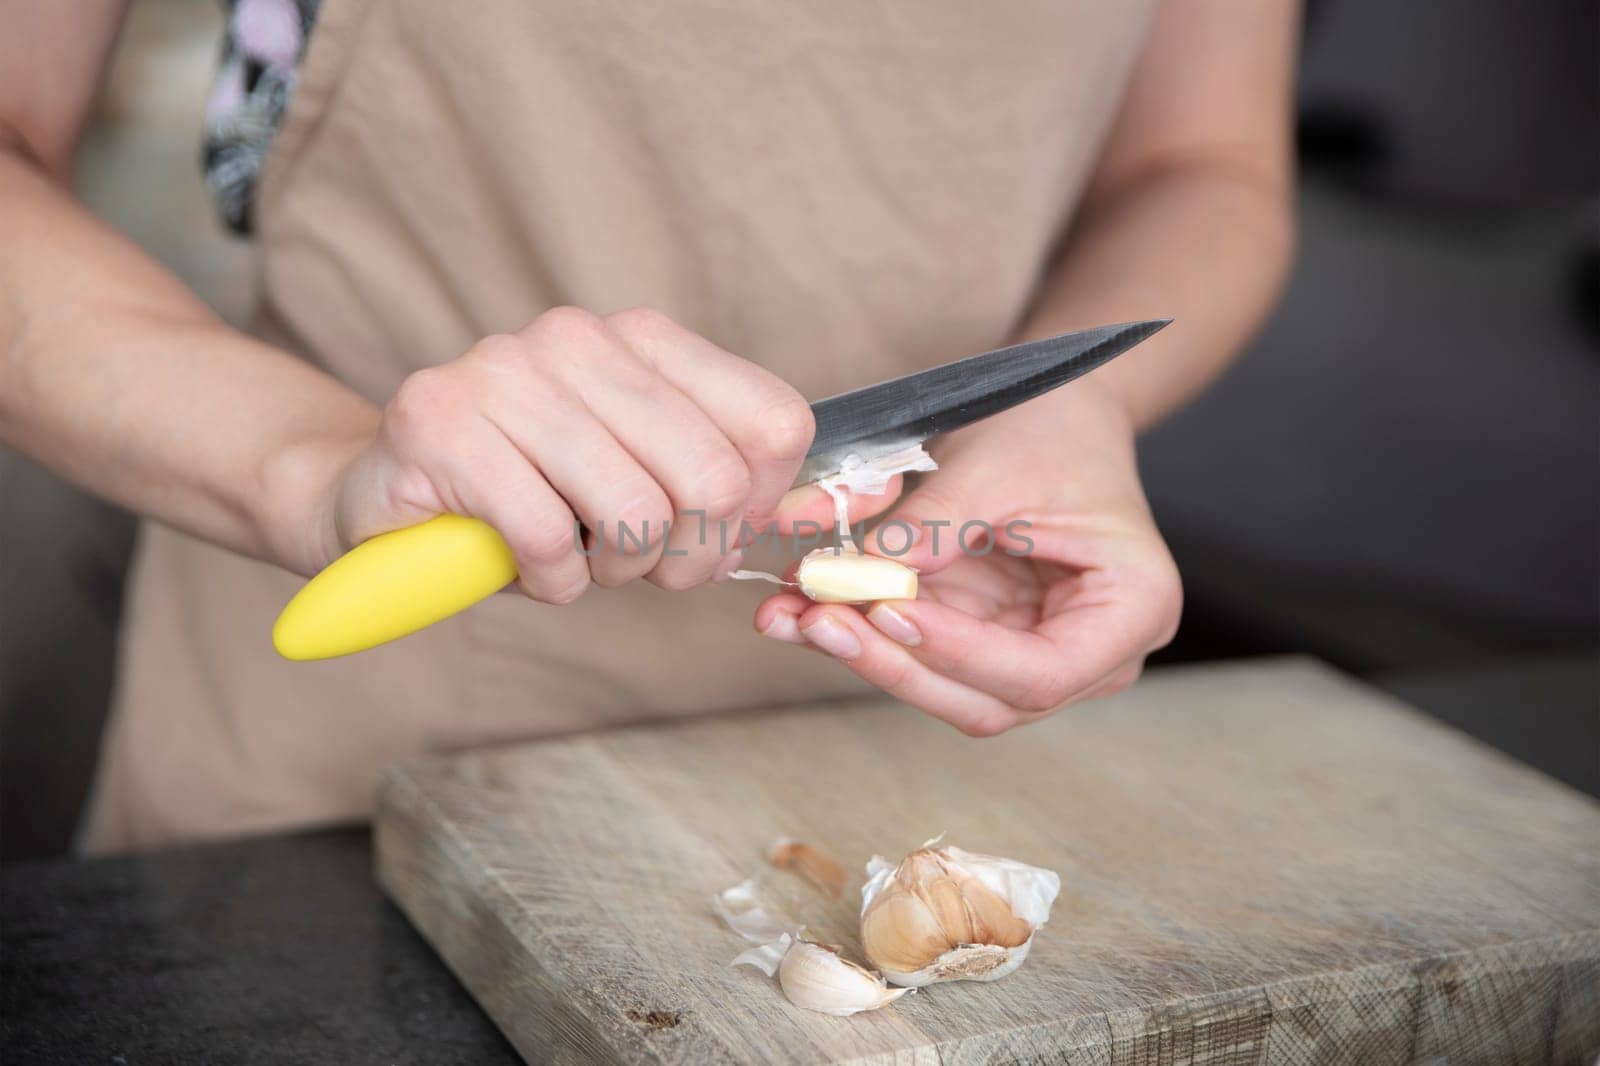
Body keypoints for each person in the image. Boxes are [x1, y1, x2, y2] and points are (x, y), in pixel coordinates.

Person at [0, 1, 1298, 851]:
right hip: (355, 765)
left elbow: (1202, 167)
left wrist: (1079, 398)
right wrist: (316, 465)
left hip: (922, 740)